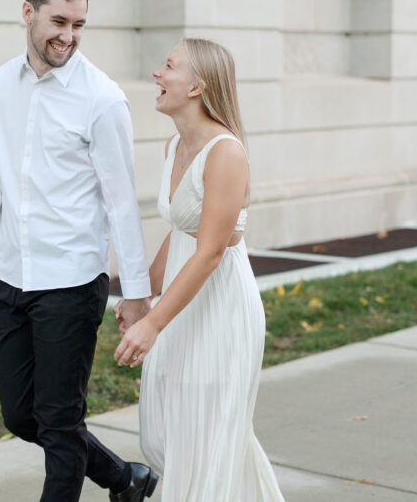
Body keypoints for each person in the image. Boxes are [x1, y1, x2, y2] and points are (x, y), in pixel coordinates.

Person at [0, 0, 159, 502]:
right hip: (13, 277)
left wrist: (136, 293)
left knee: (61, 425)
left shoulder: (102, 99)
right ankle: (124, 478)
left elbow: (121, 206)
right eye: (58, 21)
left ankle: (113, 482)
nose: (68, 36)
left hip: (70, 280)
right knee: (22, 415)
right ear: (28, 13)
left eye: (79, 24)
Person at [113, 38, 285, 501]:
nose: (157, 74)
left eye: (168, 66)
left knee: (205, 442)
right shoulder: (175, 145)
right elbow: (181, 230)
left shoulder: (225, 152)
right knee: (165, 434)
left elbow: (210, 251)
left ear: (196, 86)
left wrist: (153, 322)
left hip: (221, 312)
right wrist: (139, 293)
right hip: (180, 304)